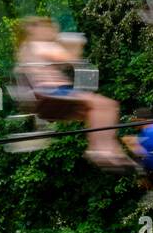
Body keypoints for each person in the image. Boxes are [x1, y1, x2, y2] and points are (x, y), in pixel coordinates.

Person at [13, 17, 134, 171]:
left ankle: (105, 149)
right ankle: (101, 148)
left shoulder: (25, 49)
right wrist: (74, 43)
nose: (52, 32)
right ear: (37, 29)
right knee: (107, 105)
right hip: (51, 94)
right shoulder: (39, 45)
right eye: (49, 28)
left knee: (96, 112)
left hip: (45, 102)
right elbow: (69, 59)